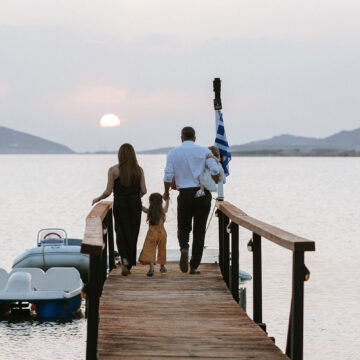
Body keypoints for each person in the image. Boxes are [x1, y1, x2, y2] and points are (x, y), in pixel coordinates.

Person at [163, 127, 220, 274]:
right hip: (202, 194)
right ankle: (194, 266)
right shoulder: (204, 151)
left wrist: (165, 191)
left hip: (185, 194)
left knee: (183, 227)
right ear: (195, 138)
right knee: (199, 231)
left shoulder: (173, 153)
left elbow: (168, 175)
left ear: (181, 138)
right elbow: (215, 171)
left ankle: (184, 248)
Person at [92, 143, 147, 276]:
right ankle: (129, 264)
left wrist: (98, 198)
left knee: (121, 232)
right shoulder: (139, 170)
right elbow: (144, 190)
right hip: (135, 203)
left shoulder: (113, 170)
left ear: (120, 155)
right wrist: (135, 197)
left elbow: (108, 191)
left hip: (120, 203)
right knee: (133, 233)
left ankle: (124, 259)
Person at [139, 193, 169, 277]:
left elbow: (142, 208)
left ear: (150, 202)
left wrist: (139, 200)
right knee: (162, 249)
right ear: (160, 202)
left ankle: (151, 268)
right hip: (162, 232)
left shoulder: (150, 211)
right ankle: (162, 267)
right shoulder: (163, 211)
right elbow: (167, 207)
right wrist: (167, 200)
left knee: (150, 250)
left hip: (152, 233)